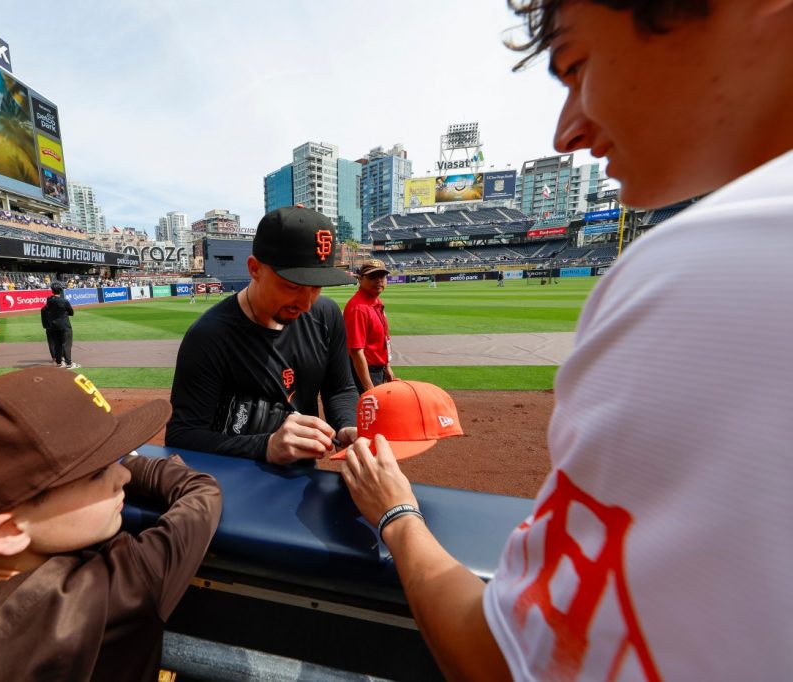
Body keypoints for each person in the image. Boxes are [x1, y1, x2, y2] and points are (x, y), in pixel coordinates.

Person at [340, 1, 793, 679]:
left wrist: (396, 513)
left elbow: (499, 659)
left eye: (577, 66)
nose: (566, 130)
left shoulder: (701, 264)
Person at [0, 368, 222, 680]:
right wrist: (141, 464)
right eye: (96, 473)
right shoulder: (117, 586)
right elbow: (202, 496)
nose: (121, 476)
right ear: (7, 532)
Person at [166, 206, 358, 466]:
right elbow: (182, 436)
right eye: (292, 286)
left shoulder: (327, 315)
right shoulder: (209, 336)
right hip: (236, 484)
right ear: (254, 268)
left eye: (316, 287)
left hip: (303, 481)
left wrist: (348, 426)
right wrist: (266, 446)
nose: (306, 304)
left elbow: (340, 388)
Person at [343, 259, 395, 393]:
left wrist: (387, 366)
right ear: (360, 279)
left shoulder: (376, 301)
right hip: (365, 373)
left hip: (378, 369)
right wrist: (368, 387)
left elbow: (384, 337)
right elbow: (356, 351)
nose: (378, 280)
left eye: (382, 276)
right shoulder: (358, 308)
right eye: (372, 276)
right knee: (368, 411)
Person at [43, 281, 78, 368]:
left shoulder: (49, 300)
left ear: (52, 290)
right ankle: (69, 363)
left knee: (57, 344)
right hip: (64, 325)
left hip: (54, 325)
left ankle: (59, 363)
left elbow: (47, 309)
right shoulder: (64, 301)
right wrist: (64, 312)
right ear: (60, 290)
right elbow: (71, 312)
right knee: (66, 344)